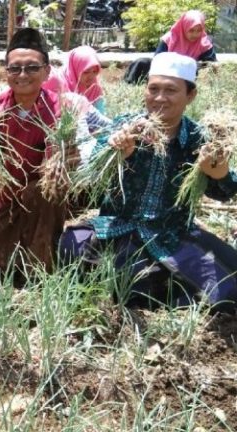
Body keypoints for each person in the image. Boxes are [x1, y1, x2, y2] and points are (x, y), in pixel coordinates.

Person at [60, 52, 237, 311]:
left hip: (172, 234)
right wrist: (117, 155)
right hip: (119, 228)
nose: (159, 98)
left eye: (170, 90)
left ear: (190, 96)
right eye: (153, 89)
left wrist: (219, 172)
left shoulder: (200, 139)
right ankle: (155, 288)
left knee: (227, 285)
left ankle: (158, 287)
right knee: (71, 246)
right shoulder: (126, 127)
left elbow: (224, 191)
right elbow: (93, 173)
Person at [0, 28, 74, 272]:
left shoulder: (62, 110)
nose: (23, 74)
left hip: (43, 199)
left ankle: (39, 266)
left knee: (42, 193)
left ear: (46, 71)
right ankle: (15, 260)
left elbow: (75, 159)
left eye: (32, 67)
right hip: (2, 197)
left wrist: (62, 161)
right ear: (6, 73)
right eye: (15, 68)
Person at [124, 10, 217, 84]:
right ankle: (130, 85)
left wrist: (190, 65)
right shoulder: (170, 38)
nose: (195, 34)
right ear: (184, 27)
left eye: (199, 30)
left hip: (186, 76)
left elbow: (210, 64)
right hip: (164, 71)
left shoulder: (204, 43)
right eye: (191, 30)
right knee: (142, 62)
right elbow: (157, 59)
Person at [43, 45, 106, 114]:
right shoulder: (55, 83)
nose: (91, 77)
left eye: (95, 72)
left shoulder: (95, 89)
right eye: (86, 72)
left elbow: (101, 116)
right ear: (75, 69)